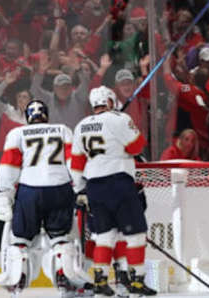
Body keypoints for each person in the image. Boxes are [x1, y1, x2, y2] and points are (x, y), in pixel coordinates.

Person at [0, 100, 83, 297]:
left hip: (29, 191)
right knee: (60, 238)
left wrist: (2, 192)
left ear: (27, 117)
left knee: (21, 239)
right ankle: (63, 275)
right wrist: (80, 187)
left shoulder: (17, 134)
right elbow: (73, 162)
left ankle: (17, 279)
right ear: (46, 116)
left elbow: (8, 168)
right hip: (60, 189)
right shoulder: (63, 130)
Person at [70, 86, 156, 296]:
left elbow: (76, 164)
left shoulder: (81, 126)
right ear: (109, 101)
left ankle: (100, 279)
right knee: (135, 234)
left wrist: (80, 189)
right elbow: (137, 147)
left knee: (104, 236)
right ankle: (136, 280)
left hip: (94, 187)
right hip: (120, 183)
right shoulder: (119, 118)